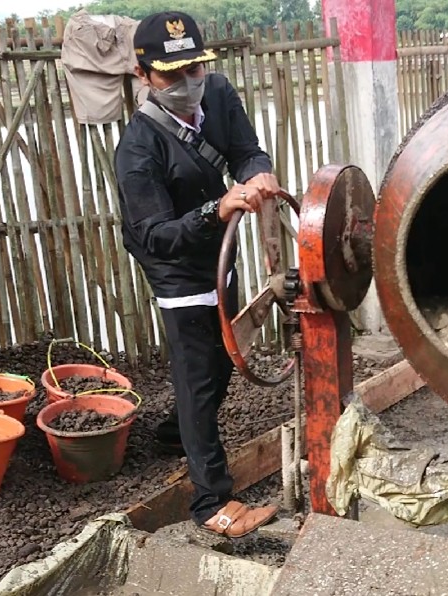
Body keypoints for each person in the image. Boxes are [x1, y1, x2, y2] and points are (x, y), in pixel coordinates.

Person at [114, 11, 280, 537]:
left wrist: (259, 174)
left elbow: (246, 153)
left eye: (194, 70)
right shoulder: (138, 149)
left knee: (223, 358)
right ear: (143, 75)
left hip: (218, 253)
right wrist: (218, 210)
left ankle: (173, 435)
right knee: (196, 377)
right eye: (171, 74)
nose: (188, 84)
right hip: (173, 265)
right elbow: (154, 234)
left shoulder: (219, 95)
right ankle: (211, 503)